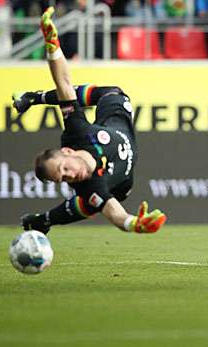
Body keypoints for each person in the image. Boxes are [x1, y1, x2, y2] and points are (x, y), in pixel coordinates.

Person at [14, 7, 166, 234]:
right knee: (89, 203)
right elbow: (117, 214)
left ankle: (33, 98)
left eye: (65, 168)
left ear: (67, 151)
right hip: (123, 185)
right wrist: (135, 224)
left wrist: (52, 45)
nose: (70, 176)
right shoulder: (89, 185)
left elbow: (64, 84)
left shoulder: (77, 133)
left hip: (114, 114)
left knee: (105, 92)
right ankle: (42, 221)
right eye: (64, 179)